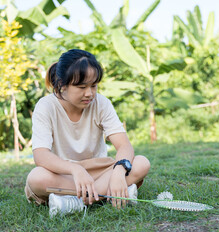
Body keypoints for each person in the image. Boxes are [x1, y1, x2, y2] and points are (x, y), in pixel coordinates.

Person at [25, 49, 150, 213]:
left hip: (99, 170)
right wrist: (75, 169)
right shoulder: (46, 106)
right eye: (82, 87)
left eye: (94, 86)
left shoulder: (101, 103)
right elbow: (41, 156)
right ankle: (113, 193)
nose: (89, 93)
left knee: (142, 163)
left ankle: (73, 202)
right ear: (62, 85)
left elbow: (124, 145)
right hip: (65, 174)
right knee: (37, 178)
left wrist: (119, 171)